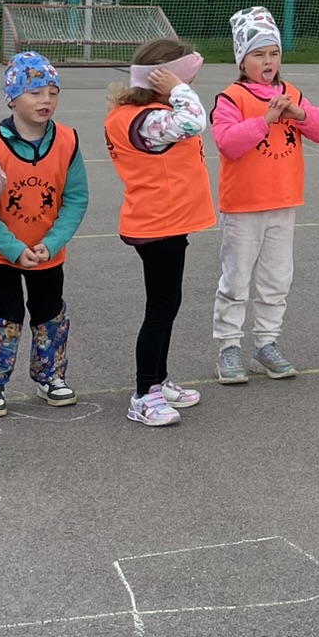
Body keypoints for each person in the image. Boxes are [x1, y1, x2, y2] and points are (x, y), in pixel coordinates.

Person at [211, 6, 319, 384]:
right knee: (236, 280)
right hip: (244, 205)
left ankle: (265, 343)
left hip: (283, 203)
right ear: (242, 60)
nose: (268, 61)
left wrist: (299, 114)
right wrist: (264, 120)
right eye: (259, 54)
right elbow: (228, 144)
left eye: (274, 53)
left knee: (277, 279)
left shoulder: (291, 93)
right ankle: (228, 346)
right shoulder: (231, 97)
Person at [102, 38, 217, 428]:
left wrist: (176, 90)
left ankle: (159, 378)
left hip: (168, 223)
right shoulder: (148, 118)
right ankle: (144, 393)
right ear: (162, 79)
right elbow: (194, 121)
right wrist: (179, 89)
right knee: (160, 310)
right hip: (158, 226)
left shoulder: (145, 113)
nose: (190, 86)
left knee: (168, 305)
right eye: (187, 79)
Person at [0, 51, 89, 418]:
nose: (46, 100)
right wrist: (13, 248)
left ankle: (50, 375)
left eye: (53, 92)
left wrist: (51, 244)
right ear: (12, 98)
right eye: (35, 93)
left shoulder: (67, 140)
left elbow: (76, 198)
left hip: (45, 250)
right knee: (3, 316)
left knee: (49, 313)